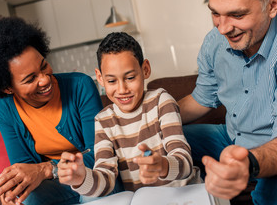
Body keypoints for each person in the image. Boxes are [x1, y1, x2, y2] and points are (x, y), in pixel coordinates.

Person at [178, 0, 277, 204]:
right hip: (231, 137)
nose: (223, 28)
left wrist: (247, 162)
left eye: (237, 15)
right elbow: (202, 98)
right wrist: (154, 116)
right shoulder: (214, 41)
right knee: (170, 139)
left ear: (272, 4)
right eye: (215, 13)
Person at [0, 16, 104, 205]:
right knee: (25, 198)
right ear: (7, 88)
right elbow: (24, 166)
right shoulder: (4, 108)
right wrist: (15, 189)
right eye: (30, 79)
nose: (45, 79)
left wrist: (47, 169)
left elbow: (100, 155)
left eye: (44, 65)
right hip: (58, 185)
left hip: (95, 178)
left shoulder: (80, 86)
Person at [58, 32, 199, 197]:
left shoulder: (161, 101)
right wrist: (80, 179)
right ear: (100, 78)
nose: (122, 89)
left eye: (130, 77)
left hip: (187, 194)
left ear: (145, 69)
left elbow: (185, 160)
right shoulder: (103, 121)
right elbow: (106, 178)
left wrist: (163, 165)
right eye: (111, 81)